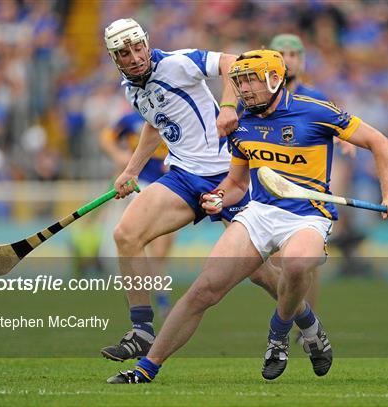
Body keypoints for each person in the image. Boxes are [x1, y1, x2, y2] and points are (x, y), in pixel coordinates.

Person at [107, 49, 388, 384]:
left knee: (295, 265)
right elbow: (236, 182)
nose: (244, 89)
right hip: (259, 213)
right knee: (204, 290)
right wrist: (219, 198)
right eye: (239, 82)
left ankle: (277, 335)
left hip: (308, 216)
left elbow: (379, 142)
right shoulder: (241, 123)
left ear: (274, 80)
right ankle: (145, 370)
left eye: (251, 81)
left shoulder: (315, 111)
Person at [99, 18, 276, 362]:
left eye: (137, 48)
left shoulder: (177, 63)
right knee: (126, 235)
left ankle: (308, 324)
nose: (134, 57)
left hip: (227, 177)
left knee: (258, 272)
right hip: (183, 177)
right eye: (124, 53)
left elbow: (232, 62)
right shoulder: (132, 90)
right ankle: (141, 331)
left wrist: (227, 107)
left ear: (146, 43)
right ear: (114, 59)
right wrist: (131, 170)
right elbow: (155, 124)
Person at [268, 33, 356, 343]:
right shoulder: (255, 99)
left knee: (306, 266)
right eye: (282, 52)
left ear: (302, 61)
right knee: (276, 265)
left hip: (306, 197)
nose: (289, 58)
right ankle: (303, 319)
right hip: (268, 195)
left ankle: (306, 329)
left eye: (294, 53)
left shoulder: (315, 98)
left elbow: (342, 128)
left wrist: (345, 143)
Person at [100, 110, 175, 318]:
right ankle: (150, 299)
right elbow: (107, 137)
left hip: (173, 186)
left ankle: (156, 296)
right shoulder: (130, 119)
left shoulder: (175, 111)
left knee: (160, 252)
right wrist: (118, 155)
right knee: (143, 242)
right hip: (141, 185)